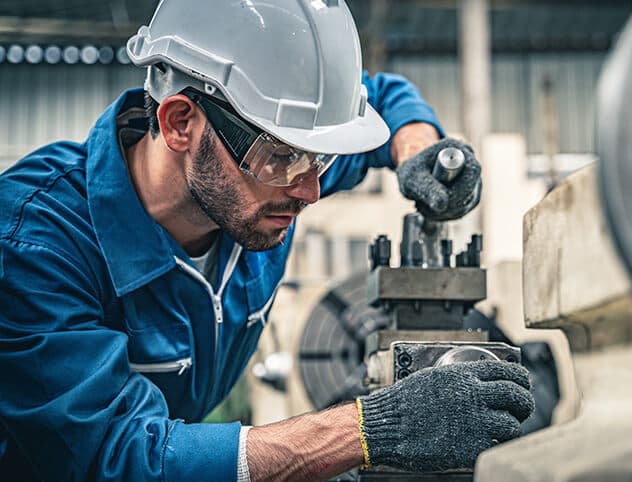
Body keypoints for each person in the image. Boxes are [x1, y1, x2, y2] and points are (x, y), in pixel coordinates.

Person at [0, 1, 534, 481]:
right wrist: (369, 430)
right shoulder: (34, 244)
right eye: (283, 157)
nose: (310, 190)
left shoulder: (262, 168)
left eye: (319, 158)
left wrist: (420, 147)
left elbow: (387, 98)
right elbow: (117, 457)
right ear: (181, 122)